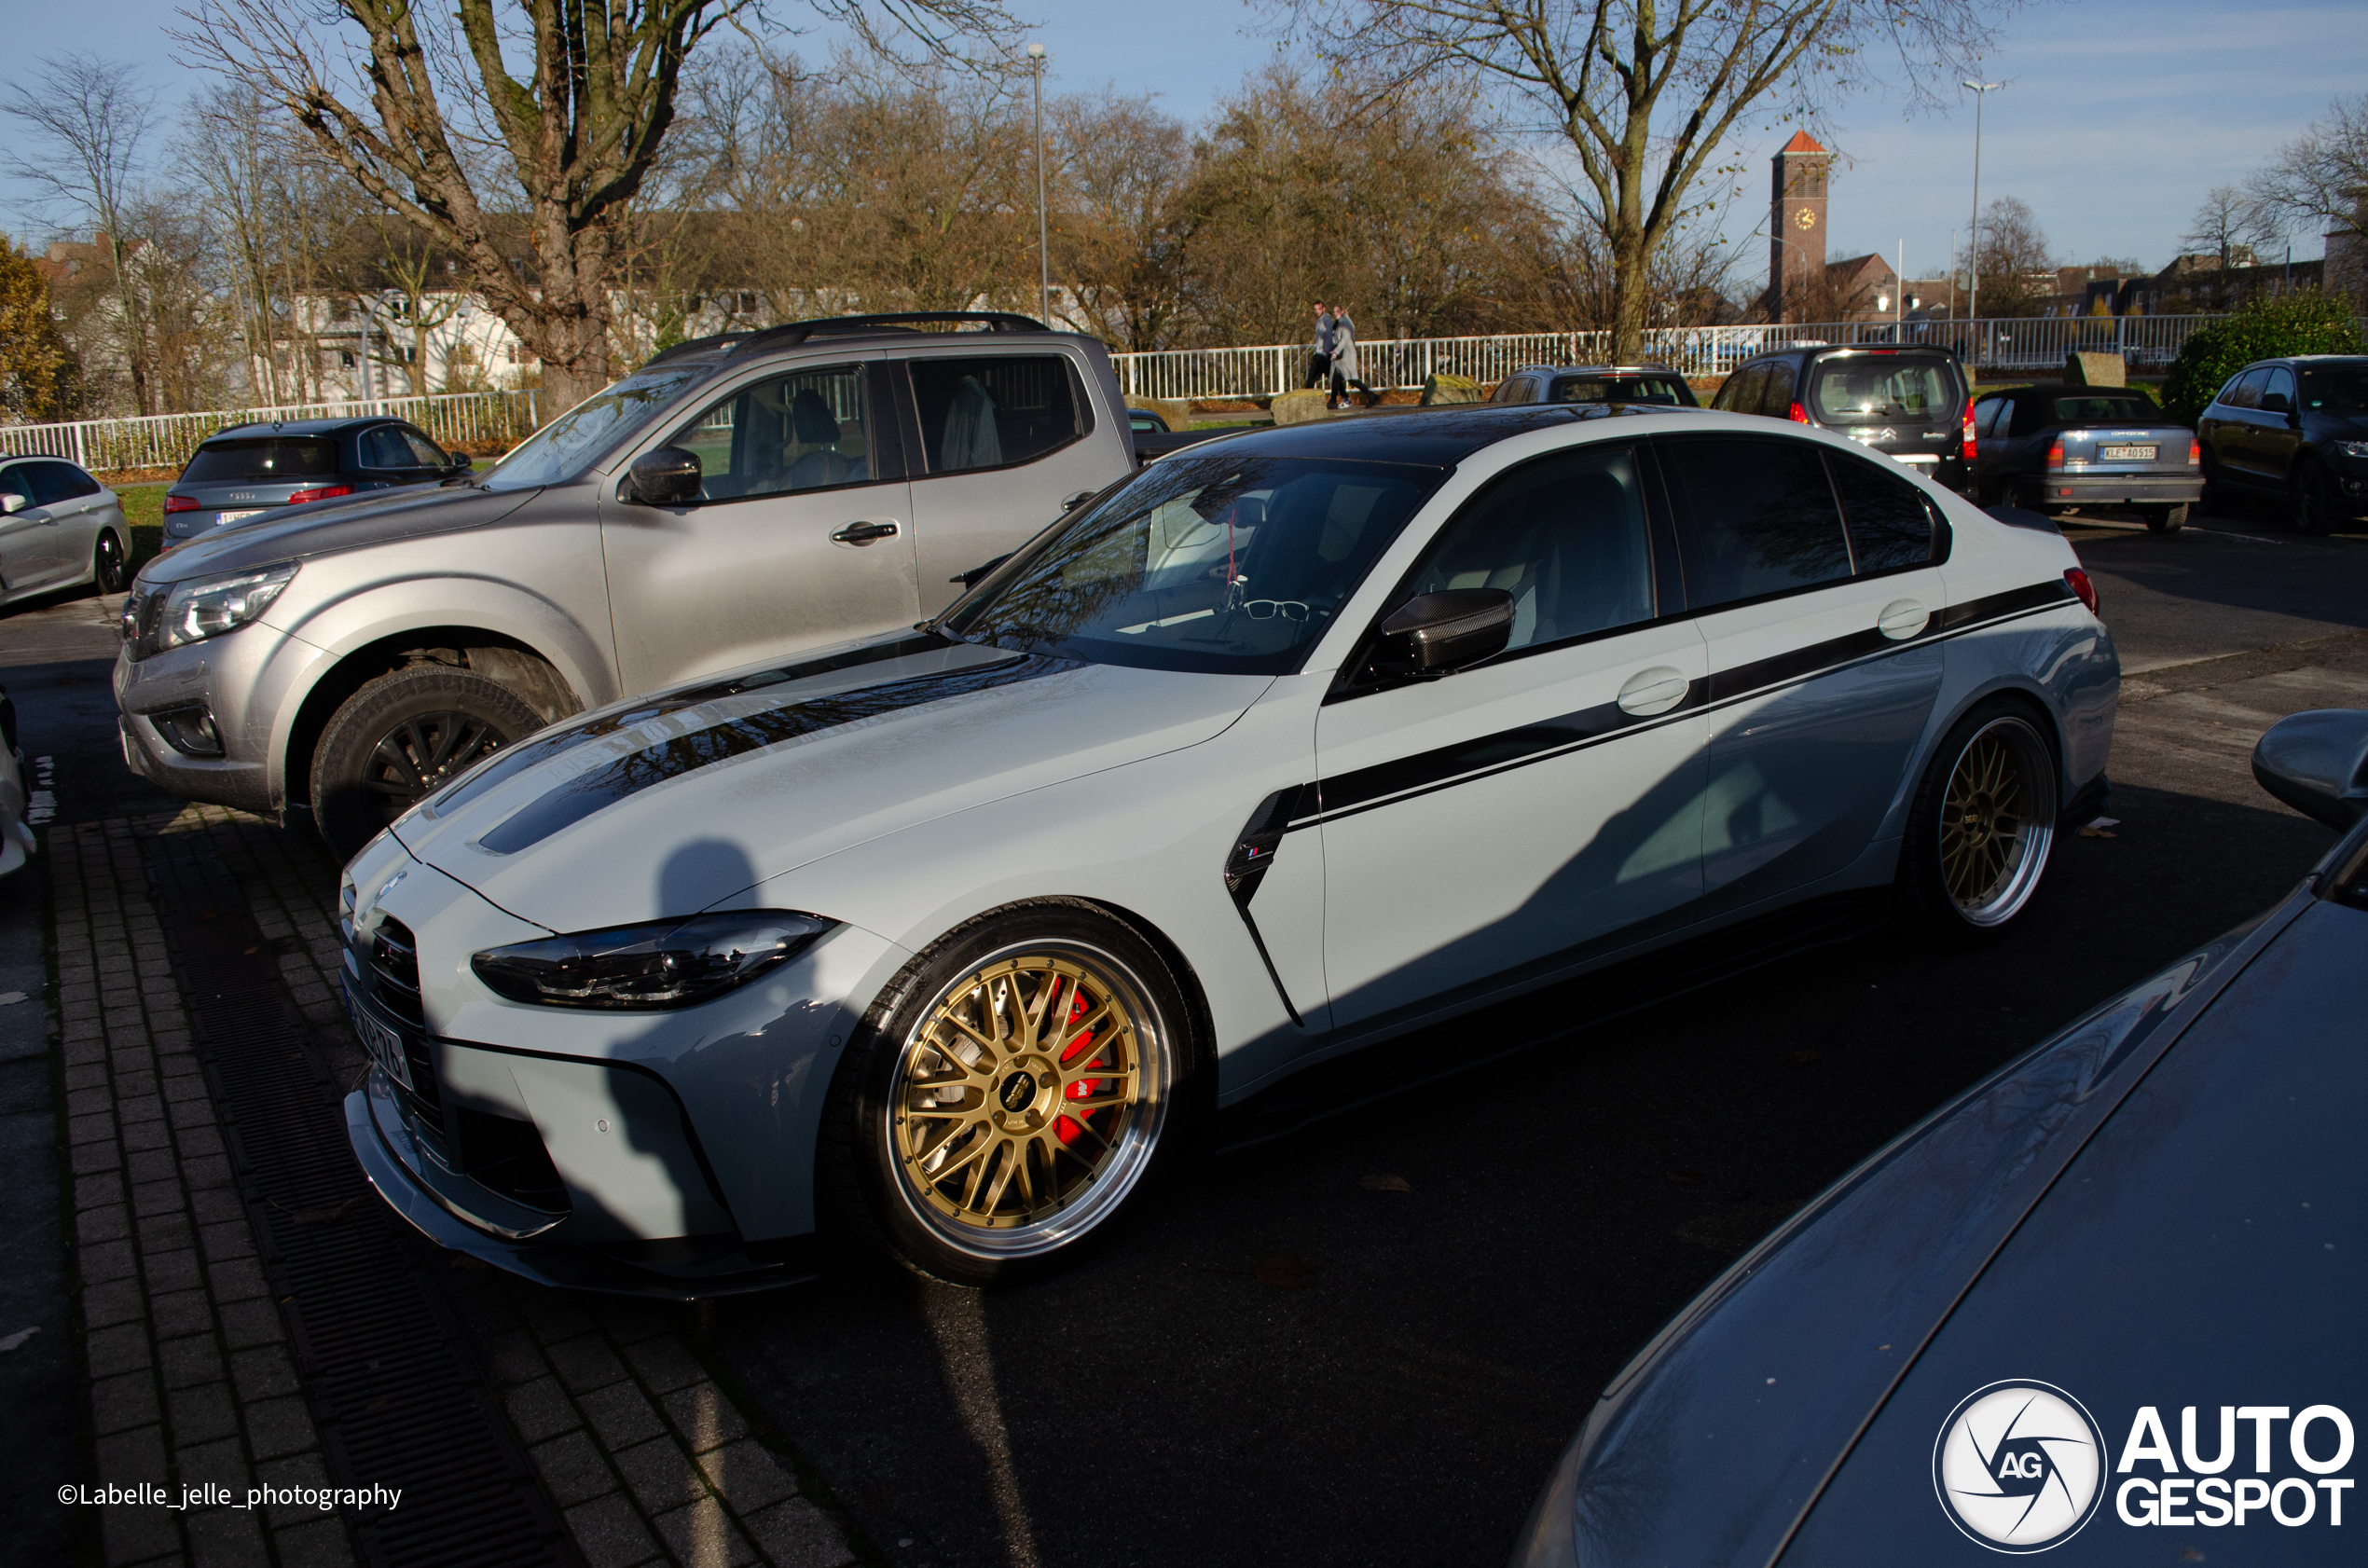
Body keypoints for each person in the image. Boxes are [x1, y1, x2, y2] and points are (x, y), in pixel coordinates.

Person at [1329, 306, 1378, 408]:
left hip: (1346, 354)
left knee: (1352, 379)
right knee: (1336, 377)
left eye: (1337, 311)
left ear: (1342, 311)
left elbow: (1345, 338)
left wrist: (1336, 351)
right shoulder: (1339, 321)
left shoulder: (1345, 322)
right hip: (1342, 355)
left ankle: (1370, 394)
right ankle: (1333, 401)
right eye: (1334, 311)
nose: (1335, 313)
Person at [1306, 303, 1333, 391]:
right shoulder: (1319, 320)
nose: (1317, 311)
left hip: (1323, 354)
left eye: (1319, 309)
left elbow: (1330, 335)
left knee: (1312, 377)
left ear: (1324, 309)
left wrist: (1326, 351)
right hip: (1319, 353)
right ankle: (1345, 396)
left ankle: (1306, 398)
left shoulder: (1326, 319)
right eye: (1315, 309)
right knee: (1314, 377)